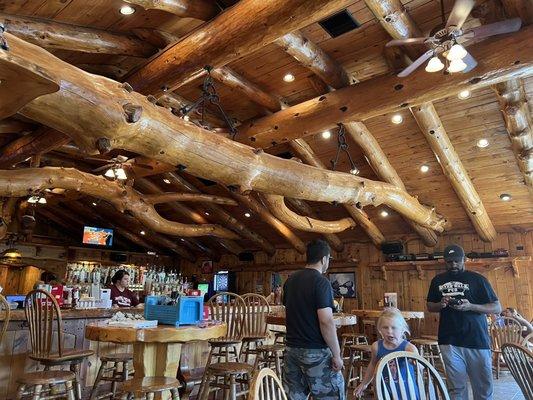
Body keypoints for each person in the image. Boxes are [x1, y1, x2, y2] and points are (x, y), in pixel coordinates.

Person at [427, 244, 501, 400]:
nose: (453, 265)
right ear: (444, 261)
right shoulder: (437, 280)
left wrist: (471, 306)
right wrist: (441, 304)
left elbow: (496, 307)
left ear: (464, 259)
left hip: (477, 340)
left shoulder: (478, 279)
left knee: (483, 388)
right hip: (449, 341)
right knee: (456, 389)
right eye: (449, 262)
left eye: (456, 261)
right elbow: (430, 306)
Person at [282, 239, 344, 400]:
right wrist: (337, 354)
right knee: (332, 395)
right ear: (324, 259)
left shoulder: (290, 281)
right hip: (315, 352)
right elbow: (326, 321)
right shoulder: (321, 282)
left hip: (291, 351)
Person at [354, 308, 419, 399]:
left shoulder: (409, 348)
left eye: (394, 327)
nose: (389, 331)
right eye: (385, 327)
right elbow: (373, 365)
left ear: (402, 329)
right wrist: (364, 383)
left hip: (407, 392)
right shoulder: (376, 347)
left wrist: (415, 363)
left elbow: (420, 367)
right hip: (385, 390)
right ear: (380, 329)